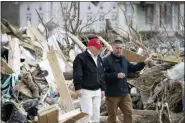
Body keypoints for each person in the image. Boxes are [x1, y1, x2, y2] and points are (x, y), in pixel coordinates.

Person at [103, 38, 152, 123]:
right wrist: (116, 75)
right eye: (117, 48)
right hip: (112, 94)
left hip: (124, 93)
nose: (119, 50)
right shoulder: (106, 60)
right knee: (112, 117)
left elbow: (133, 68)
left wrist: (144, 62)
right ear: (112, 48)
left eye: (120, 48)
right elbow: (102, 75)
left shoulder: (124, 59)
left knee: (129, 112)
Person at [73, 38, 105, 123]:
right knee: (87, 114)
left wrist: (102, 88)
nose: (99, 49)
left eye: (100, 47)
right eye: (97, 47)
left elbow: (101, 73)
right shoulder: (81, 57)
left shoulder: (99, 58)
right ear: (90, 47)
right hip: (85, 90)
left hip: (97, 90)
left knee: (96, 114)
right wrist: (78, 87)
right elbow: (77, 73)